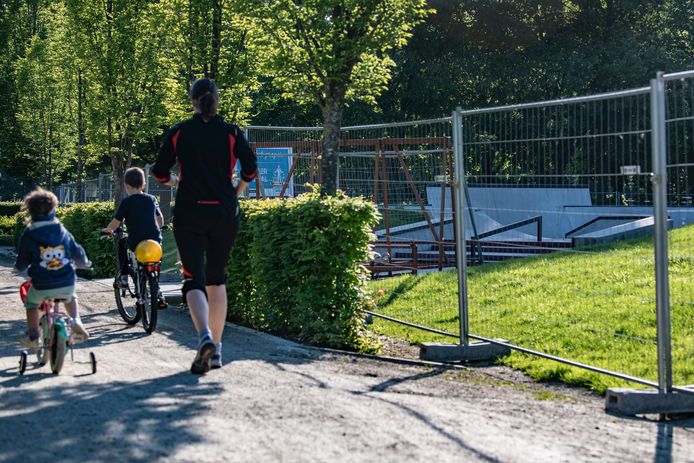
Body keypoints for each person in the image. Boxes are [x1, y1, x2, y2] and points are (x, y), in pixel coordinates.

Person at [151, 77, 257, 374]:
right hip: (224, 212)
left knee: (193, 279)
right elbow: (250, 168)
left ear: (192, 100)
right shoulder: (232, 132)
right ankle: (218, 351)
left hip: (189, 211)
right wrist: (235, 192)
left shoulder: (178, 133)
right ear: (216, 99)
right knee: (217, 279)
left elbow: (159, 172)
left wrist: (176, 181)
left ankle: (204, 337)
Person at [14, 188, 91, 350]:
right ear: (53, 209)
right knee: (70, 296)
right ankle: (76, 320)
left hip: (41, 284)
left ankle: (34, 335)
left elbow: (22, 261)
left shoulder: (28, 234)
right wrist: (84, 263)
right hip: (66, 281)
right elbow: (77, 251)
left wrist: (19, 269)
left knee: (31, 303)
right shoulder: (62, 230)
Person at [102, 167, 167, 308]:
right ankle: (157, 291)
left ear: (126, 186)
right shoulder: (151, 199)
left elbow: (115, 222)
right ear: (144, 185)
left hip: (136, 241)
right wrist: (160, 228)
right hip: (155, 241)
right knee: (154, 264)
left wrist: (108, 230)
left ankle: (124, 276)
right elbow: (160, 218)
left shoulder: (126, 202)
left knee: (121, 243)